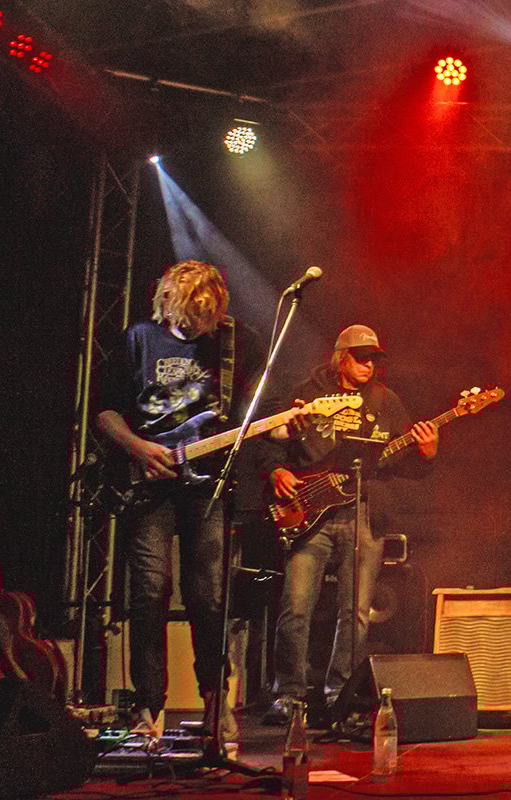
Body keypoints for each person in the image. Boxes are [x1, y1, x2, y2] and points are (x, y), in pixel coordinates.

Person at [94, 260, 253, 740]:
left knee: (207, 596)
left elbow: (251, 414)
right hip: (149, 481)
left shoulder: (231, 343)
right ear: (169, 301)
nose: (195, 327)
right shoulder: (138, 338)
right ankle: (148, 707)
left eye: (205, 318)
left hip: (206, 484)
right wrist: (138, 448)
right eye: (189, 316)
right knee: (149, 592)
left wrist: (288, 428)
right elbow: (104, 411)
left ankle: (214, 701)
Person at [252, 324, 438, 725]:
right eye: (362, 357)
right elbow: (267, 439)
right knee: (296, 606)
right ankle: (289, 695)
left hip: (363, 514)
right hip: (310, 514)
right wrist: (276, 471)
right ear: (341, 358)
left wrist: (426, 453)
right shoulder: (308, 392)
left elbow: (403, 463)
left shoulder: (386, 402)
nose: (370, 365)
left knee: (355, 612)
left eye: (374, 358)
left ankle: (342, 696)